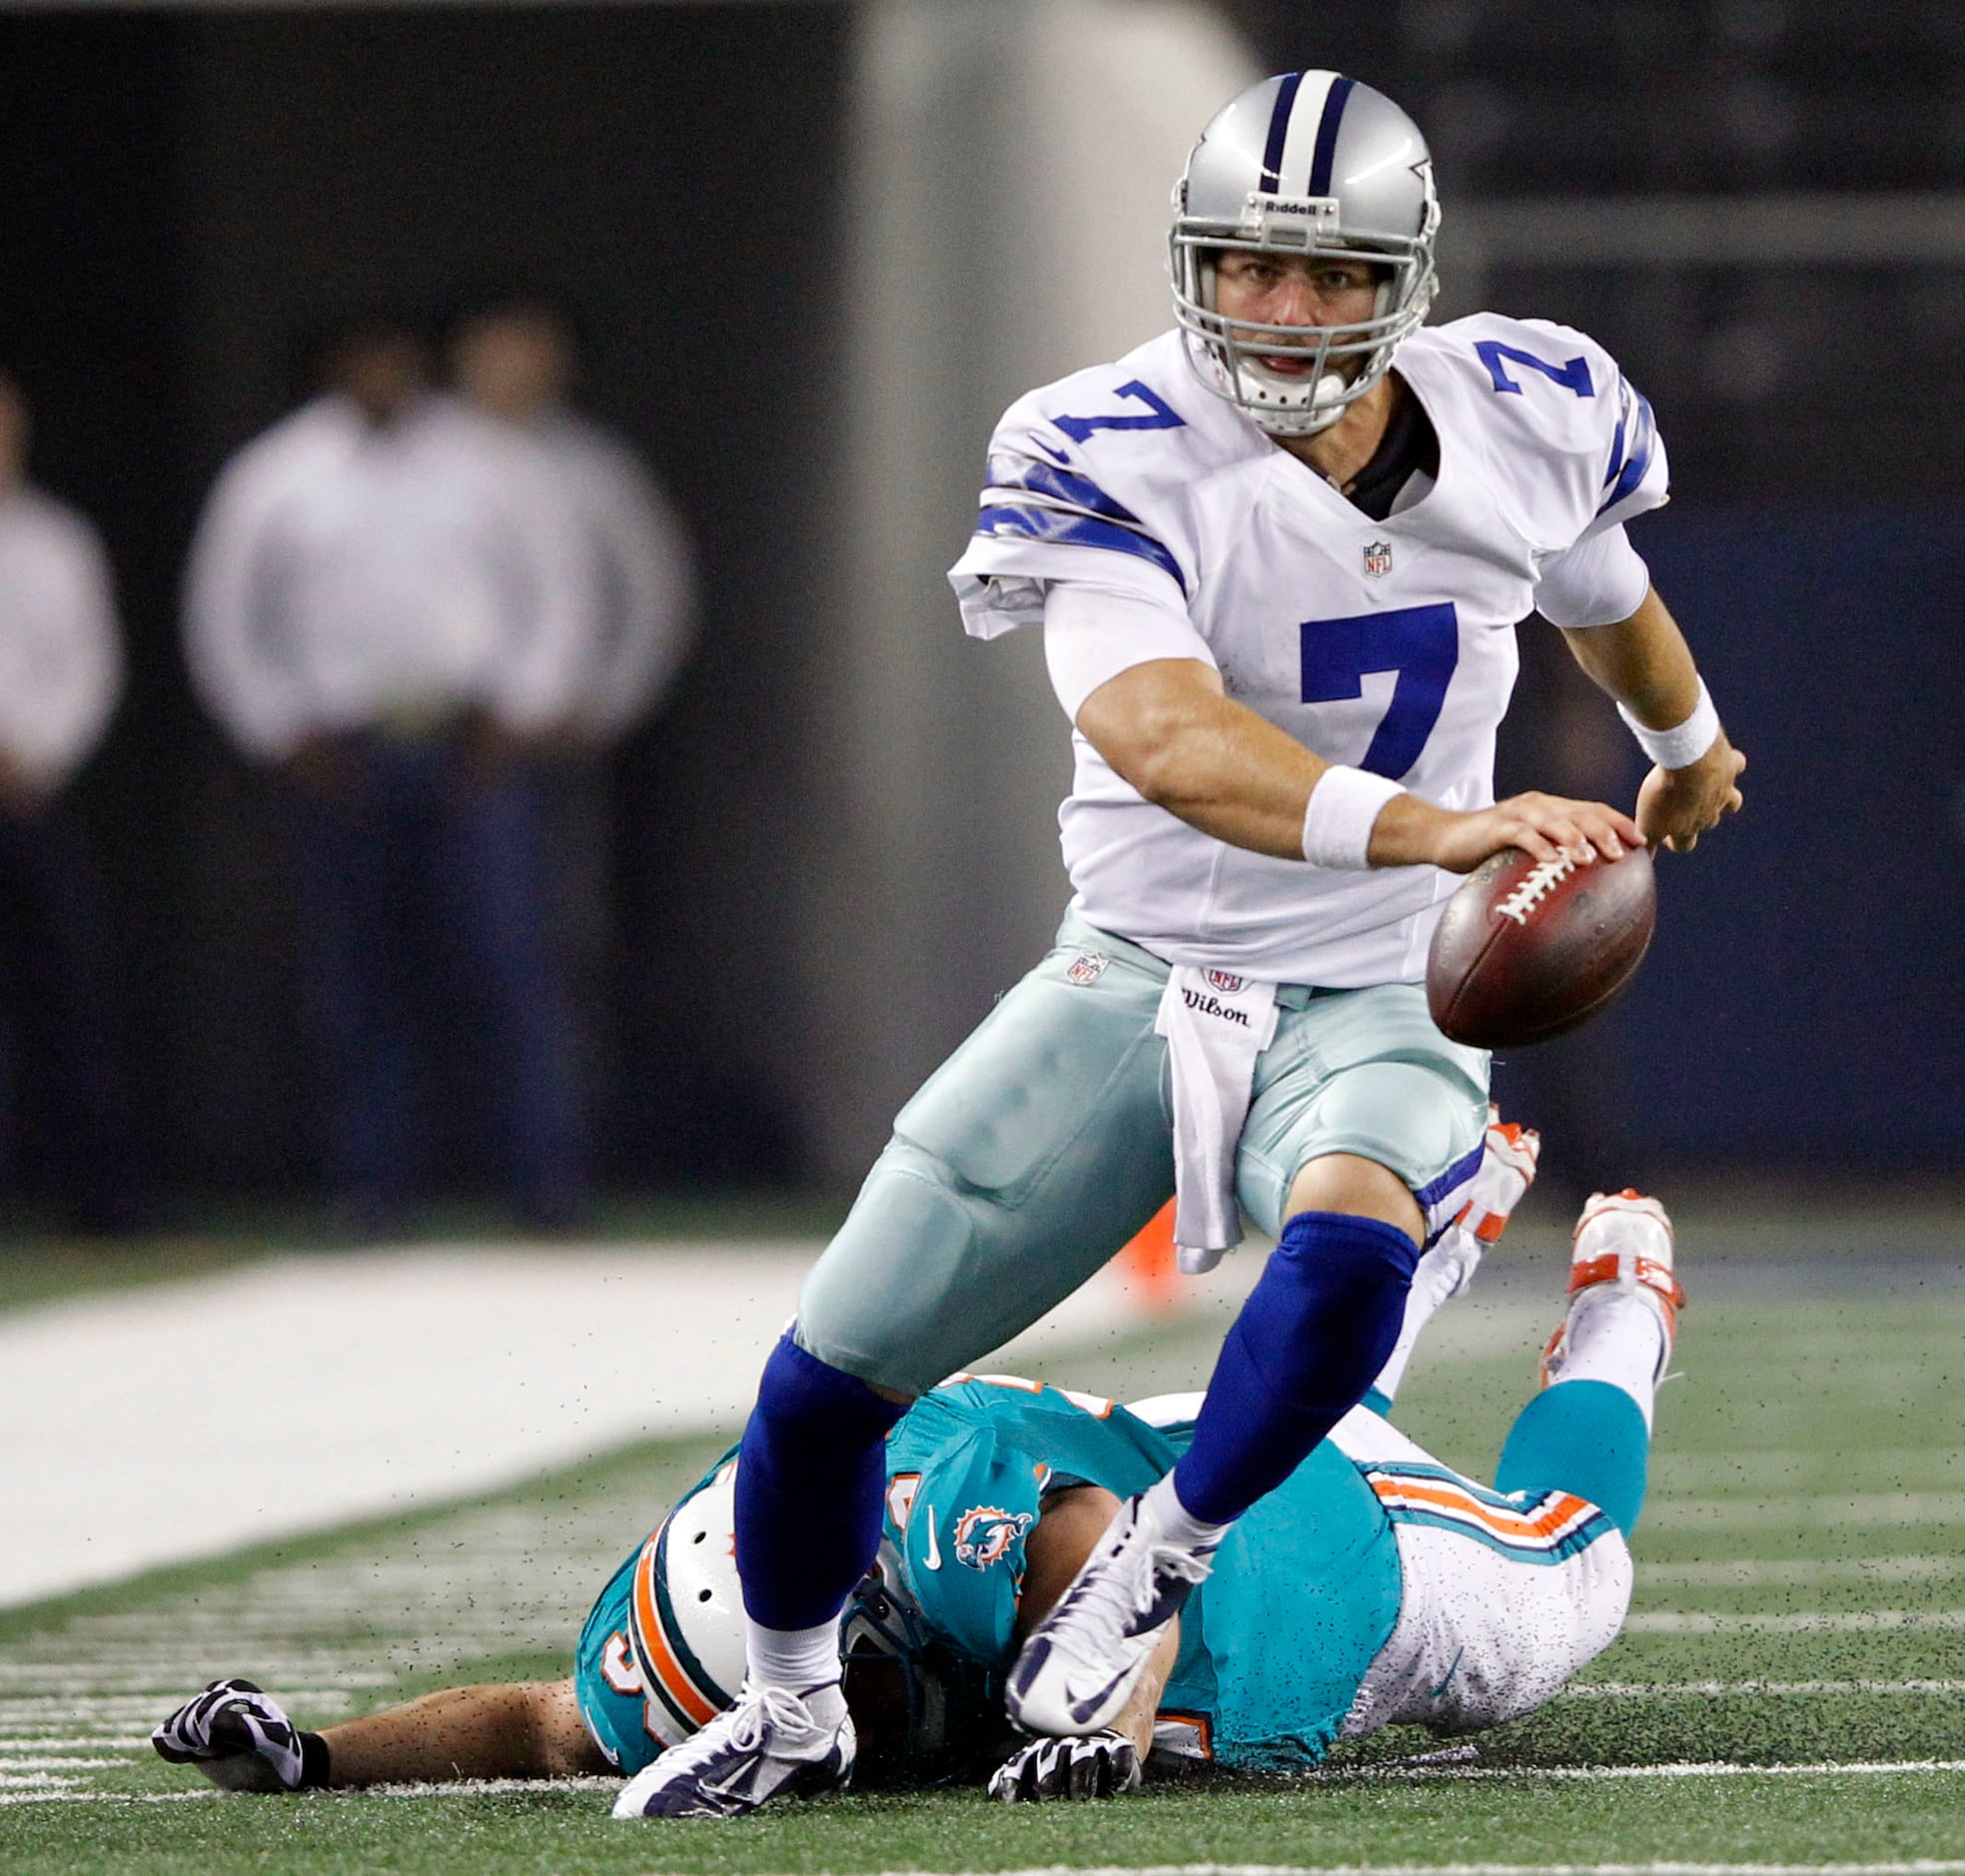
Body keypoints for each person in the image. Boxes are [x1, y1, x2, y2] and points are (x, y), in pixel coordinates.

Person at [594, 67, 1743, 1819]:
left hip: (1378, 979)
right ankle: (791, 1695)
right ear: (1187, 263)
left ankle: (1163, 1550)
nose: (1282, 311)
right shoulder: (1099, 437)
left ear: (1408, 277)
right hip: (1141, 966)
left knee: (1356, 1229)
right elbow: (1161, 733)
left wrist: (1684, 749)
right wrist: (1449, 824)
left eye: (1331, 274)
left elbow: (1610, 601)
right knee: (827, 1369)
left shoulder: (1528, 403)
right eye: (1247, 268)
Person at [149, 1129, 1691, 1807]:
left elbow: (1113, 1577)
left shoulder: (933, 1530)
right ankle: (1423, 1247)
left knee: (1571, 1569)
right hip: (1144, 1436)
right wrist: (321, 1758)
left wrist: (1104, 1723)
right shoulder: (684, 1645)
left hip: (1298, 1566)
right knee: (1270, 1397)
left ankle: (1618, 1302)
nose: (824, 1720)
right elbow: (545, 1727)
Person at [183, 317, 594, 1234]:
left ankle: (543, 1186)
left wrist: (522, 712)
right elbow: (223, 616)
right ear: (333, 368)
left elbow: (557, 588)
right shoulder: (276, 475)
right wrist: (278, 732)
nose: (378, 372)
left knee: (507, 964)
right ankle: (372, 1192)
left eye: (393, 354)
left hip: (470, 745)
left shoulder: (489, 464)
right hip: (342, 752)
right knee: (357, 977)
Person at [0, 371, 139, 1233]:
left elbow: (91, 667)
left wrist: (35, 756)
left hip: (34, 797)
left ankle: (102, 1206)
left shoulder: (58, 542)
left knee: (68, 1002)